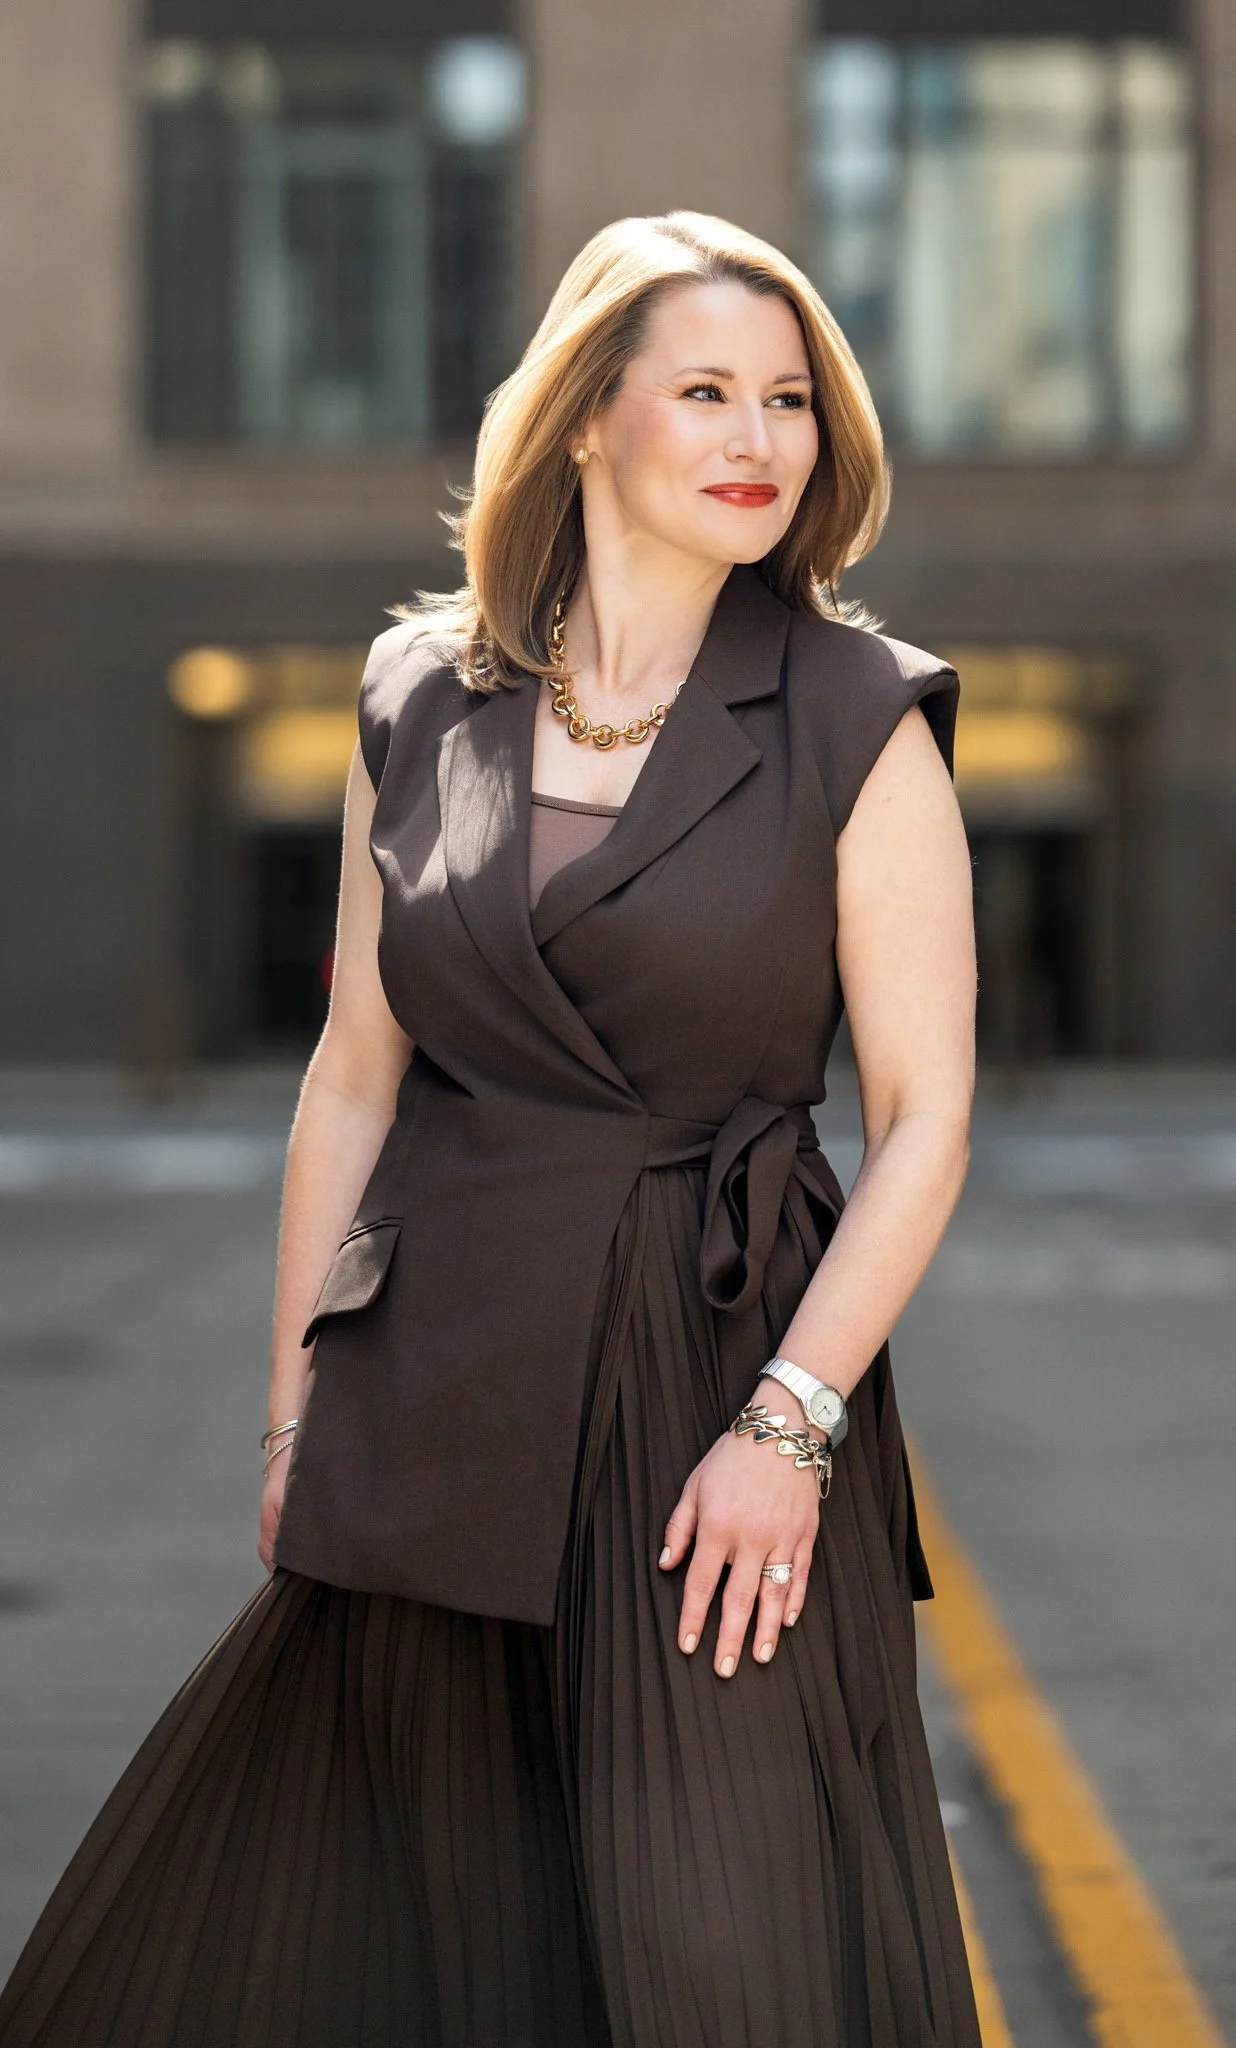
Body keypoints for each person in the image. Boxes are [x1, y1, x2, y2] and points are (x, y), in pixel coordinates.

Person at [0, 211, 980, 2047]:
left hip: (714, 1375)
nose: (756, 438)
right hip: (437, 1375)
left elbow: (925, 1117)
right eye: (703, 391)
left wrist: (789, 1426)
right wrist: (295, 1410)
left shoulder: (859, 715)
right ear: (585, 418)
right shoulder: (415, 697)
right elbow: (354, 1076)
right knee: (411, 1935)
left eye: (787, 399)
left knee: (725, 1941)